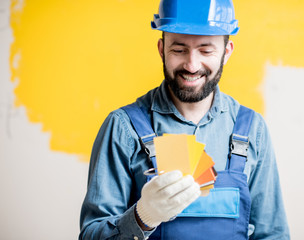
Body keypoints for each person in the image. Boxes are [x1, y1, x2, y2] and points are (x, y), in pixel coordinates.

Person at [79, 0, 290, 239]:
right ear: (161, 49)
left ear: (227, 51)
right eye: (179, 50)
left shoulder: (252, 129)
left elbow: (273, 234)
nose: (191, 65)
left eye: (206, 50)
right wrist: (142, 217)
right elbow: (90, 235)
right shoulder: (122, 127)